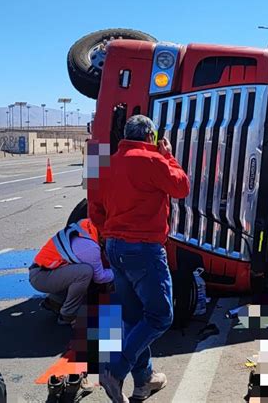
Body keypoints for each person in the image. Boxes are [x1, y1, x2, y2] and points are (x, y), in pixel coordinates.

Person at [89, 115, 190, 403]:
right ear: (150, 136)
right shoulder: (152, 160)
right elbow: (182, 187)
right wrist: (168, 155)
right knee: (160, 316)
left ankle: (144, 380)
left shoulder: (105, 162)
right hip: (143, 248)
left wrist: (109, 234)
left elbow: (94, 208)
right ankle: (115, 370)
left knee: (134, 317)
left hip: (114, 247)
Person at [29, 218, 114, 325]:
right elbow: (100, 277)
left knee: (79, 270)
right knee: (85, 272)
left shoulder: (87, 226)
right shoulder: (89, 247)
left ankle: (55, 301)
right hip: (41, 276)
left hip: (44, 271)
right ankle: (68, 315)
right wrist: (119, 274)